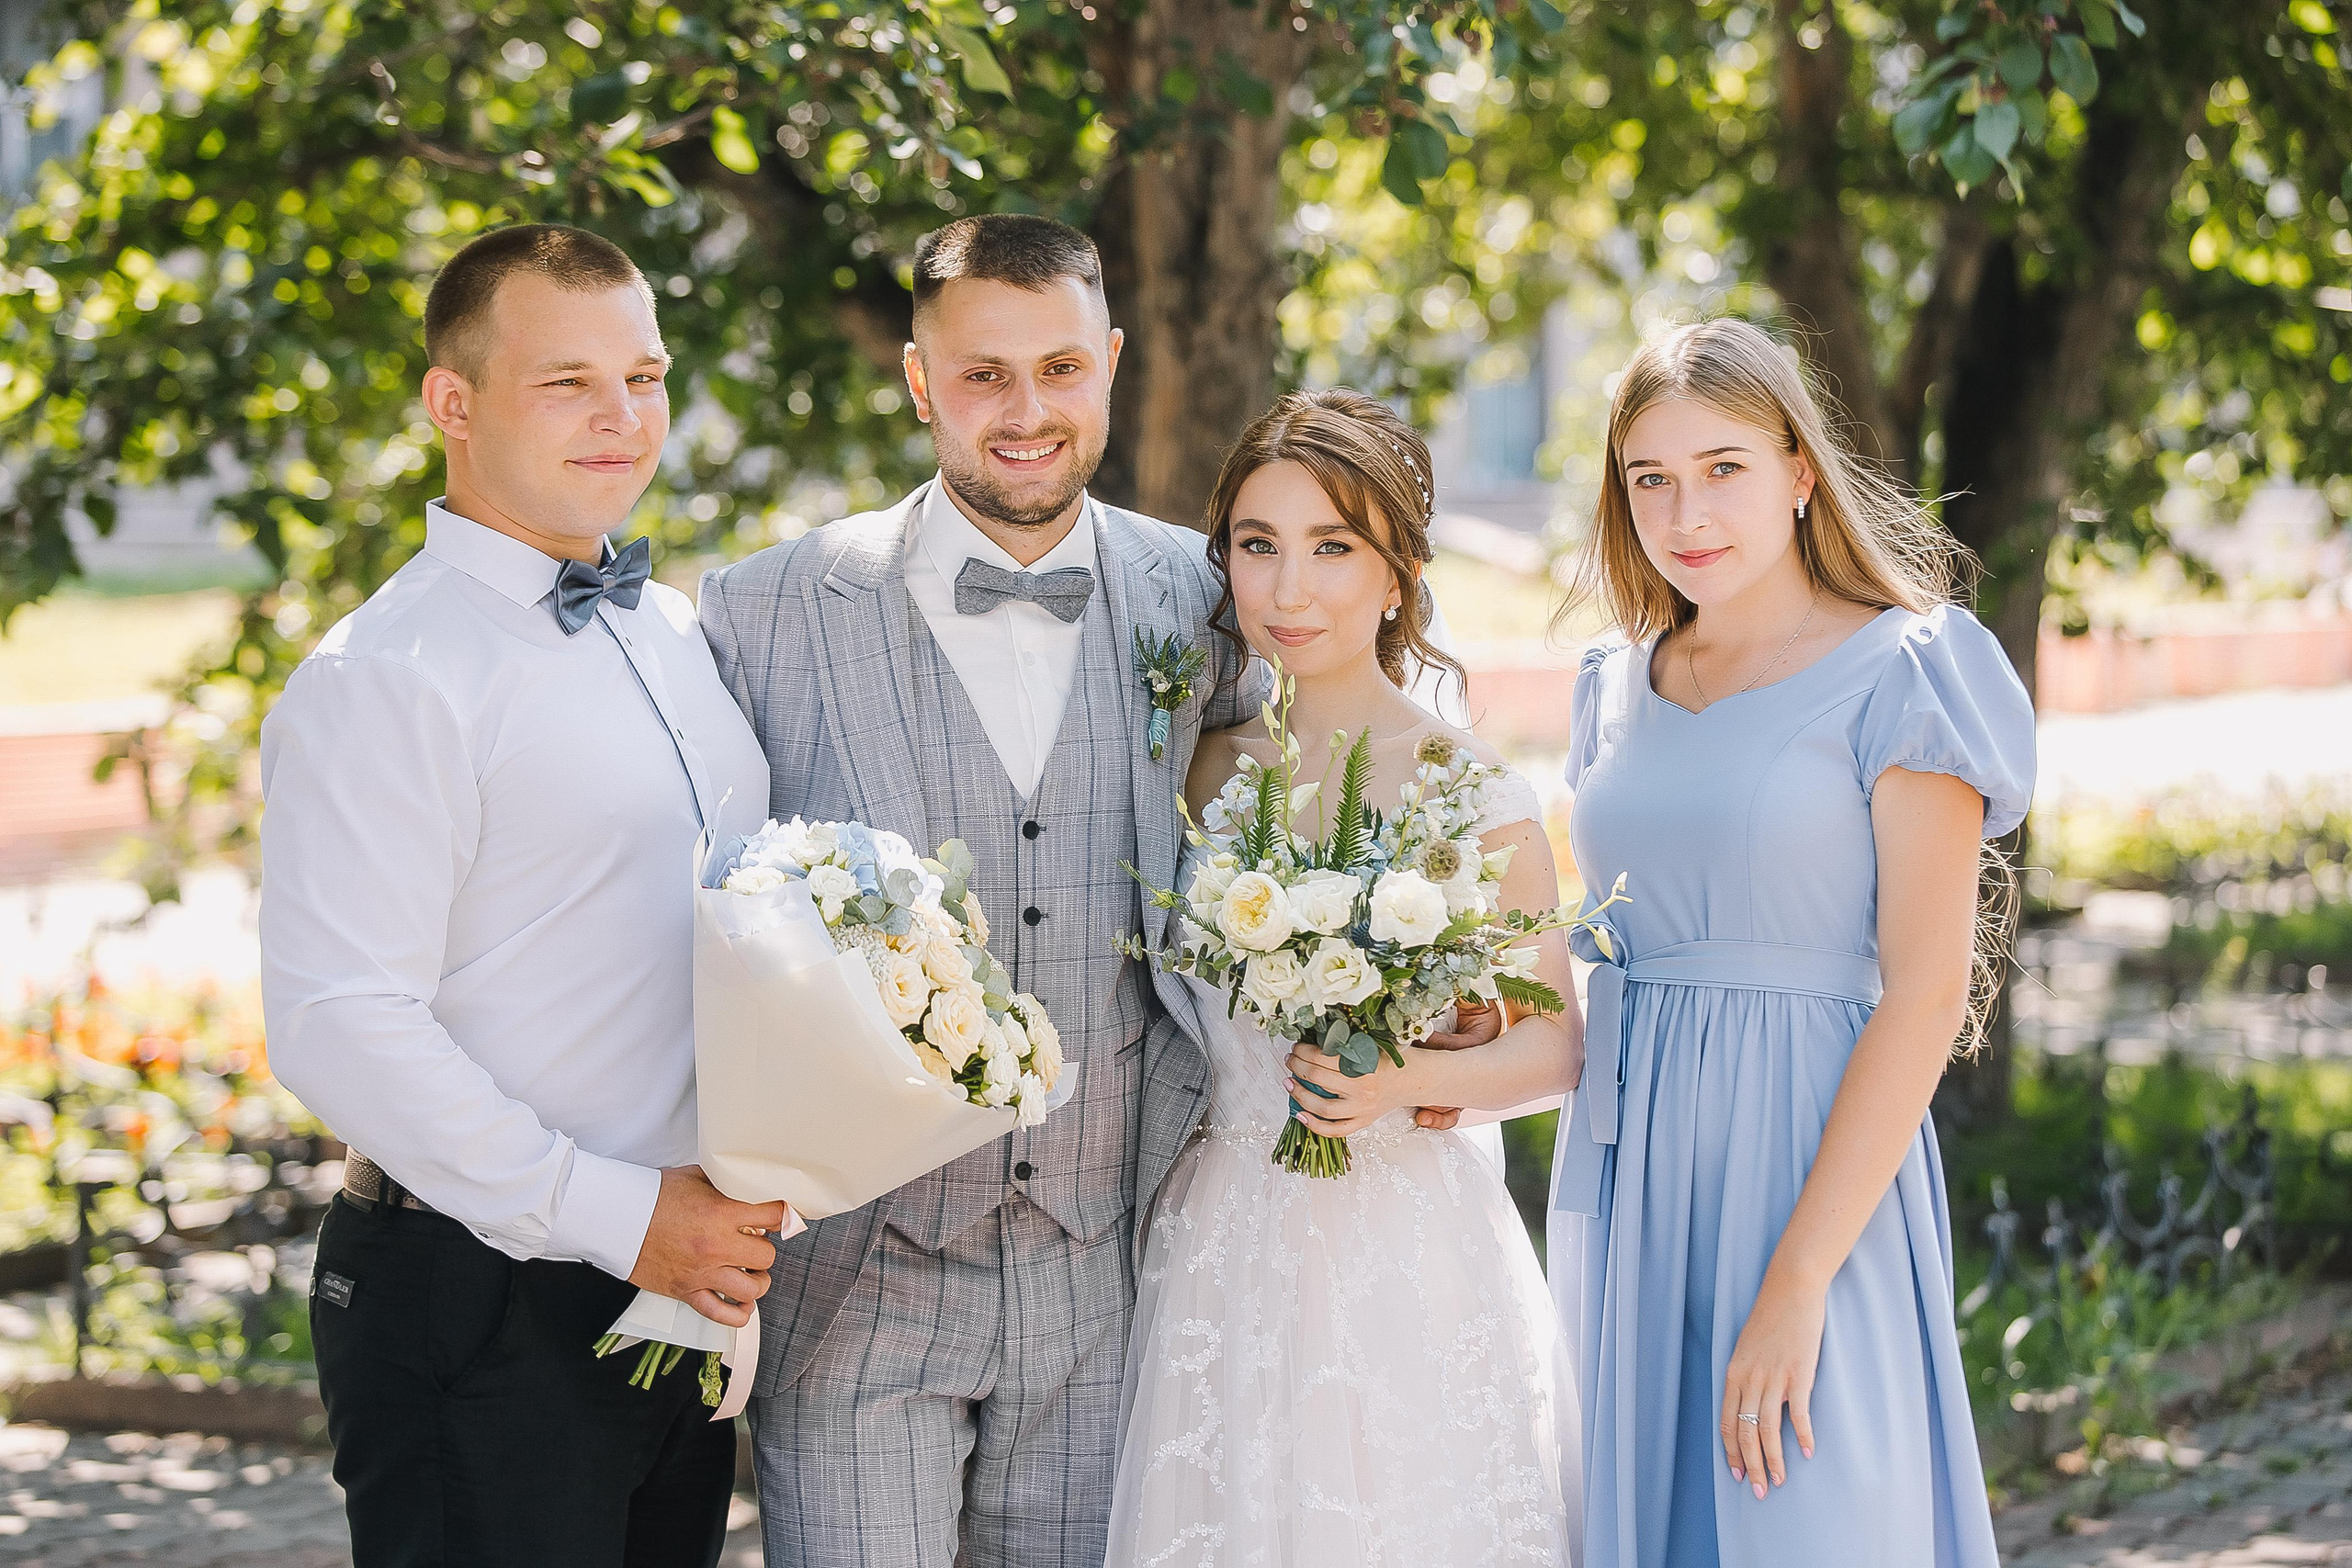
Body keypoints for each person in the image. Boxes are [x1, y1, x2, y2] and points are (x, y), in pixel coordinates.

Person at [696, 212, 1278, 1568]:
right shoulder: (762, 612)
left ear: (1112, 361)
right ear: (918, 379)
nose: (1027, 412)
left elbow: (1284, 803)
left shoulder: (1206, 595)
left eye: (1061, 369)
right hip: (857, 1282)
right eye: (982, 375)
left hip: (1107, 1272)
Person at [259, 223, 785, 1568]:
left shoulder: (670, 629)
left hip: (674, 1289)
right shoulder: (386, 675)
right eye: (568, 383)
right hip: (479, 1293)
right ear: (453, 402)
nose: (623, 416)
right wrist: (625, 1220)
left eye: (644, 377)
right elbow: (339, 1020)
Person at [1552, 318, 2031, 1566]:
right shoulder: (1611, 679)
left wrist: (1800, 1274)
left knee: (1810, 1518)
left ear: (1800, 469)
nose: (1686, 513)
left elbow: (1926, 994)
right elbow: (1600, 943)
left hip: (1812, 1173)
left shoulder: (1907, 668)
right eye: (1650, 478)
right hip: (1631, 1175)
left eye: (1723, 468)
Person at [1103, 388, 1585, 1566]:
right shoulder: (1195, 769)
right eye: (1256, 546)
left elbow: (1553, 1046)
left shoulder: (1469, 787)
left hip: (1404, 1242)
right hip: (1220, 1231)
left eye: (1331, 548)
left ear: (1398, 575)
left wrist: (1399, 1077)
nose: (1288, 590)